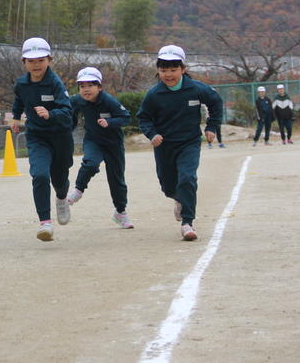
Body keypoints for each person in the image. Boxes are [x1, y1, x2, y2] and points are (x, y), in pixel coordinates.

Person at [136, 45, 223, 241]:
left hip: (189, 143)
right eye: (163, 70)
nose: (168, 75)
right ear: (158, 71)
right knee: (167, 186)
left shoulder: (196, 89)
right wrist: (152, 134)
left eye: (173, 69)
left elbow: (216, 102)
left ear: (183, 69)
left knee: (187, 178)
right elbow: (143, 118)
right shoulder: (154, 94)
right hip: (164, 146)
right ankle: (178, 198)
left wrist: (211, 127)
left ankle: (187, 223)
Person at [11, 37, 74, 242]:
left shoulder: (55, 83)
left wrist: (50, 113)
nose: (36, 65)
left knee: (60, 179)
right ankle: (45, 223)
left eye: (40, 60)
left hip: (60, 137)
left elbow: (67, 111)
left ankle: (62, 198)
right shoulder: (22, 84)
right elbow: (19, 100)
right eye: (31, 61)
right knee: (39, 175)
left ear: (49, 60)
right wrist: (15, 117)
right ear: (24, 62)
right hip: (37, 136)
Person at [67, 67, 134, 229]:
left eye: (90, 85)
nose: (86, 89)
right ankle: (78, 190)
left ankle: (120, 213)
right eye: (82, 86)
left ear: (99, 87)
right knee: (90, 164)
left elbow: (126, 118)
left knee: (117, 179)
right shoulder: (77, 100)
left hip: (113, 144)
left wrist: (109, 122)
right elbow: (67, 112)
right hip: (93, 140)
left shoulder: (109, 101)